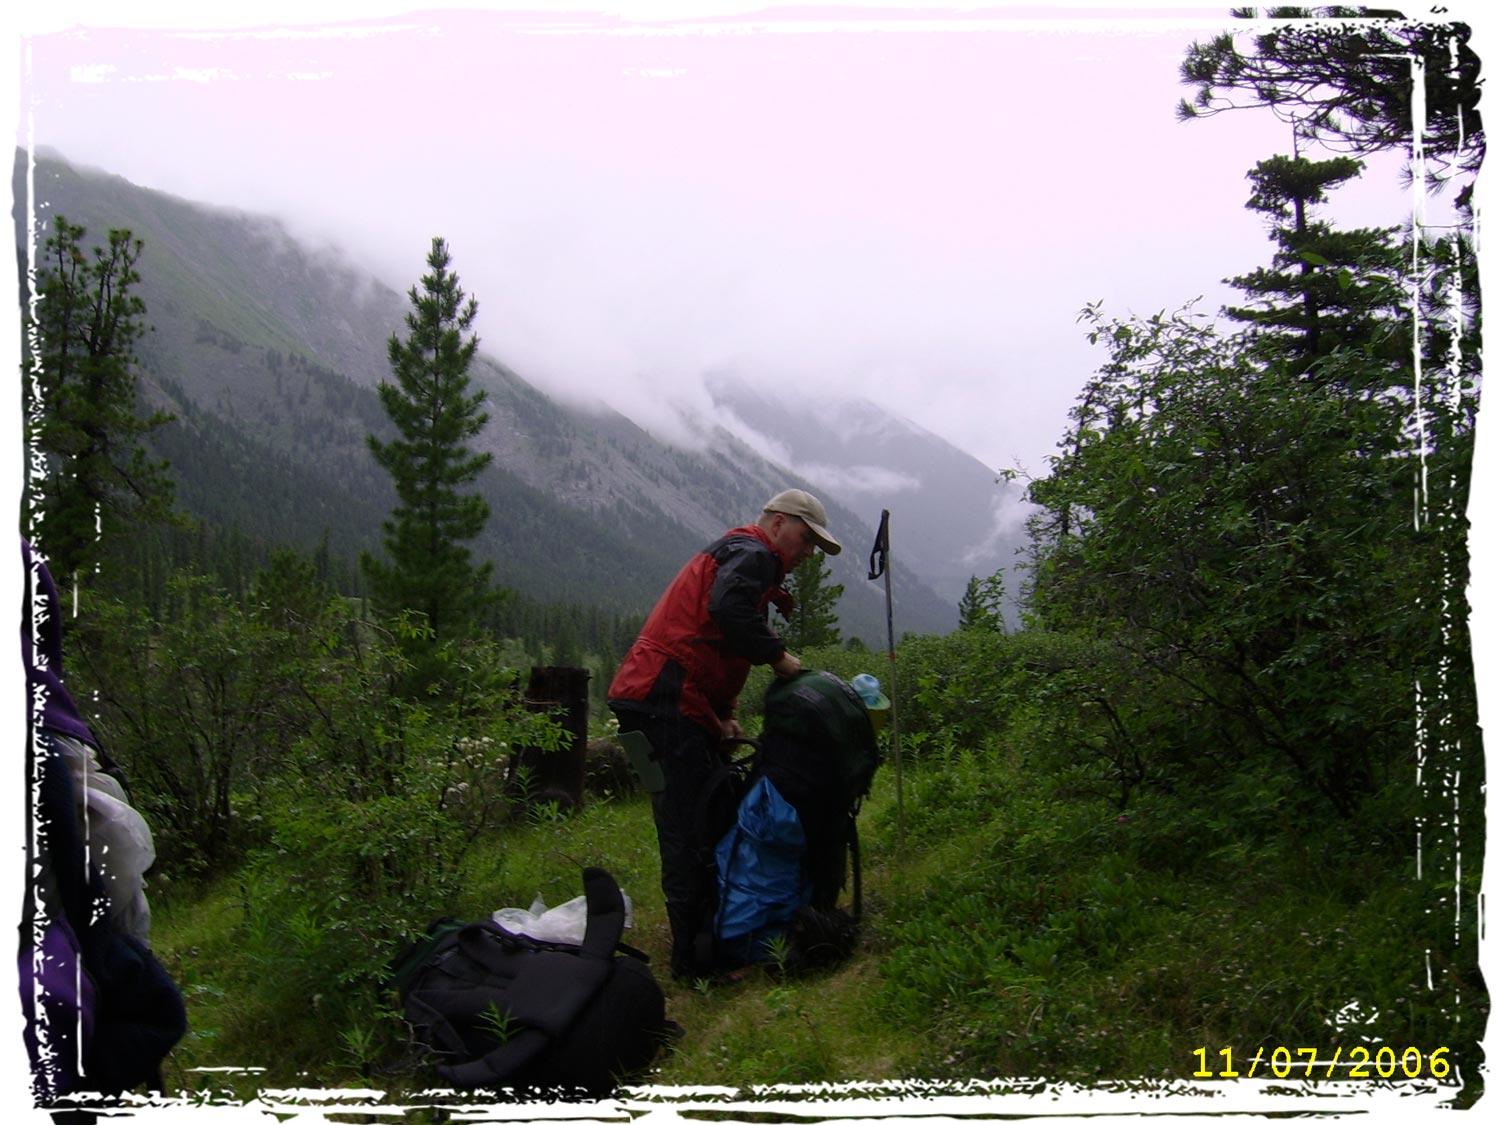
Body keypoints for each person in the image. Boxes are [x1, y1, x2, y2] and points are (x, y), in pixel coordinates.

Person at [607, 489, 841, 978]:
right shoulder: (753, 553)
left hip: (663, 698)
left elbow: (714, 643)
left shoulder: (746, 559)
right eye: (805, 537)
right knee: (690, 828)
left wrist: (725, 711)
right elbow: (728, 609)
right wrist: (777, 656)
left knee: (710, 815)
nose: (808, 553)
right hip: (661, 698)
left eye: (816, 545)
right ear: (778, 523)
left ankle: (720, 940)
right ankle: (695, 964)